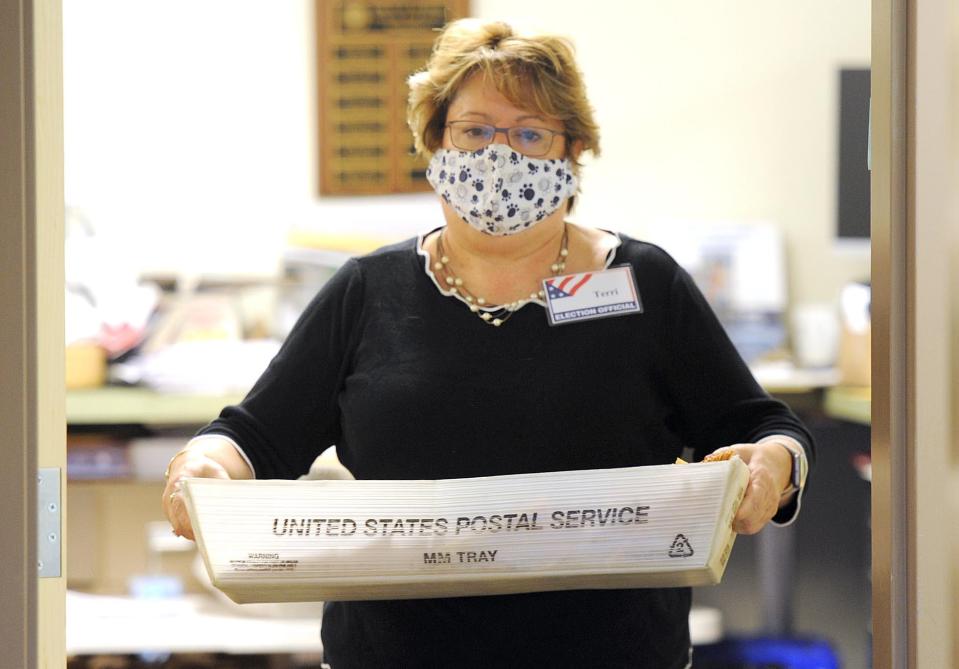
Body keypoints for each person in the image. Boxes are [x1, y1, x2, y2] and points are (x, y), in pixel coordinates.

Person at [163, 18, 814, 669]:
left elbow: (760, 424)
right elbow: (257, 435)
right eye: (474, 130)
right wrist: (206, 464)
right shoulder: (369, 290)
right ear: (434, 142)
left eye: (530, 132)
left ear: (573, 151)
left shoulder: (640, 284)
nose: (498, 157)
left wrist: (772, 463)